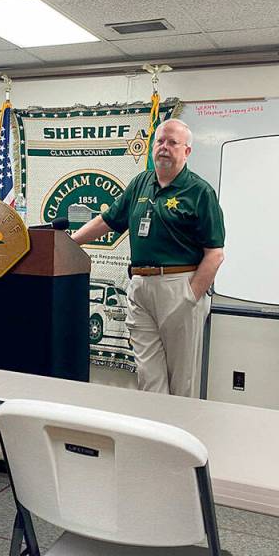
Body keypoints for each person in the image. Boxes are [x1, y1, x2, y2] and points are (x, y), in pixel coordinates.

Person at [72, 119, 225, 397]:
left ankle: (179, 437)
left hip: (180, 286)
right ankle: (154, 437)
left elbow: (214, 253)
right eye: (160, 141)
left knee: (182, 380)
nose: (164, 148)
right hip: (141, 286)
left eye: (172, 143)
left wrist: (190, 296)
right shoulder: (141, 183)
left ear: (187, 151)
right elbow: (107, 221)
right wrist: (69, 242)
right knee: (148, 377)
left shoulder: (200, 191)